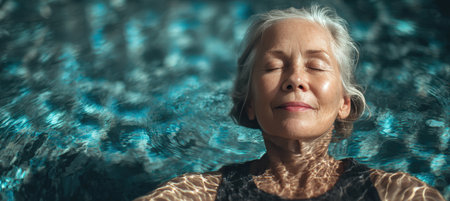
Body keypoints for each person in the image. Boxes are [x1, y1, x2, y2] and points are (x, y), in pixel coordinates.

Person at [135, 5, 445, 201]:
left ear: (344, 103)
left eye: (316, 65)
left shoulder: (397, 193)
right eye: (273, 66)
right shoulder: (199, 194)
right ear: (251, 103)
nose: (295, 79)